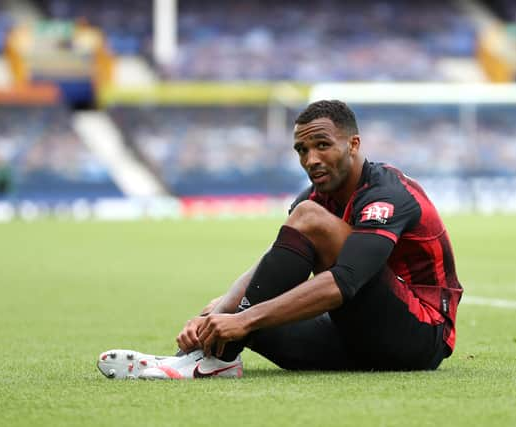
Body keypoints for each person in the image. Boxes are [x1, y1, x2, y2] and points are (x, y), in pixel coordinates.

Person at [97, 100, 463, 380]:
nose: (311, 159)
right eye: (302, 150)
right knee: (235, 311)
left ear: (353, 144)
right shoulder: (314, 197)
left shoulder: (388, 194)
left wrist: (244, 318)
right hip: (360, 341)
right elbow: (272, 262)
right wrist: (220, 311)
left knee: (250, 312)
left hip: (420, 338)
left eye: (322, 145)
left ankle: (213, 363)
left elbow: (345, 281)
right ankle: (207, 357)